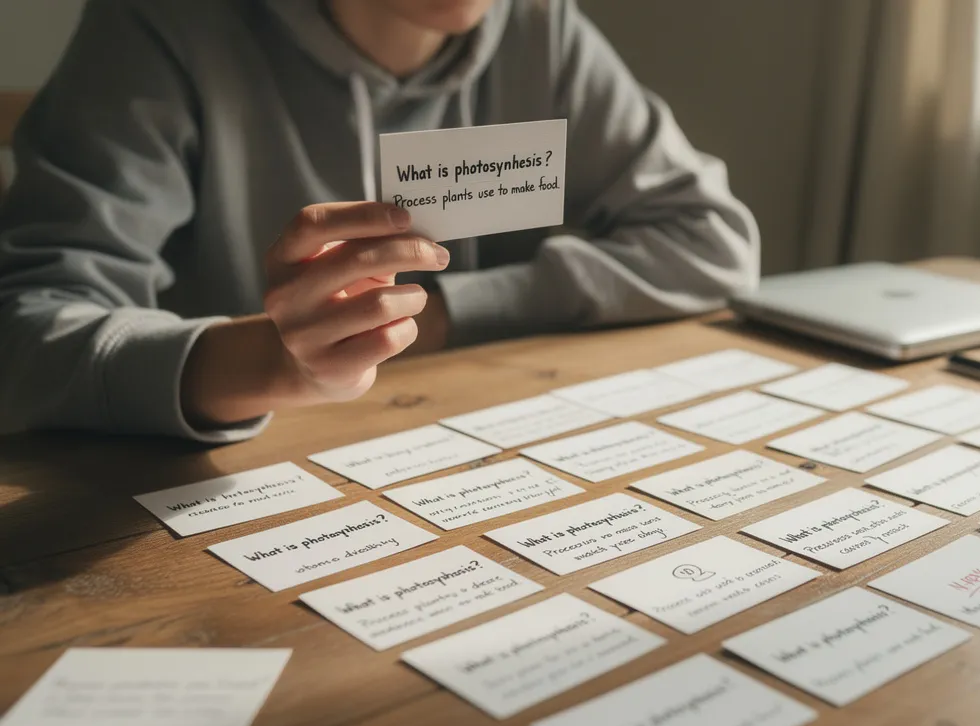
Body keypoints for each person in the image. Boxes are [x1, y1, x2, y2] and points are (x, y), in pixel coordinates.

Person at [0, 0, 759, 442]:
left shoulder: (541, 25)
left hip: (462, 455)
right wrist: (267, 362)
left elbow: (712, 239)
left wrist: (440, 316)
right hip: (220, 494)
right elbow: (23, 330)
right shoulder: (163, 24)